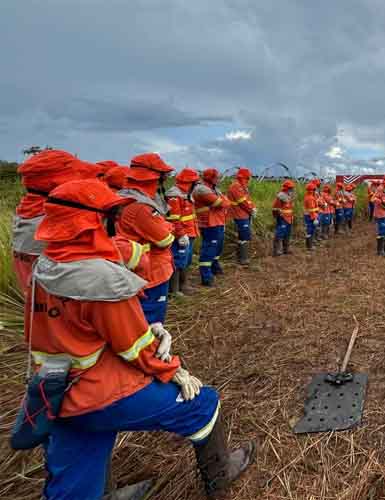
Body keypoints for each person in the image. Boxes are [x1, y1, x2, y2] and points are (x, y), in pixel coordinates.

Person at [26, 179, 253, 499]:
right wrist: (175, 371)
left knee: (75, 485)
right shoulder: (101, 277)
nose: (116, 220)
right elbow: (135, 346)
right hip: (99, 391)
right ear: (95, 220)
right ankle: (220, 479)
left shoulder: (44, 267)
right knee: (205, 405)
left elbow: (50, 331)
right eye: (110, 214)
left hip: (57, 392)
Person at [12, 150, 92, 292]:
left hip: (35, 304)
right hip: (60, 305)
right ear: (58, 183)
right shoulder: (56, 222)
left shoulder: (24, 213)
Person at [117, 153, 176, 325]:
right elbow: (165, 239)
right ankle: (151, 351)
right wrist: (167, 226)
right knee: (150, 322)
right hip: (150, 273)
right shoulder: (141, 207)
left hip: (134, 271)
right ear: (156, 177)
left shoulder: (125, 197)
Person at [165, 168, 200, 296]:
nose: (196, 186)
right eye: (195, 183)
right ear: (189, 183)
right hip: (181, 235)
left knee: (185, 259)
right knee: (178, 260)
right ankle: (175, 290)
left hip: (189, 233)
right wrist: (180, 235)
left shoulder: (186, 194)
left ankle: (183, 286)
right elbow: (174, 219)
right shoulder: (175, 196)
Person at [193, 168, 230, 286]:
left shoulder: (213, 188)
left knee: (217, 247)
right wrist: (223, 201)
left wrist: (223, 201)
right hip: (209, 223)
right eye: (217, 177)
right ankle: (206, 277)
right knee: (209, 249)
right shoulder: (202, 189)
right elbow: (220, 203)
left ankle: (214, 268)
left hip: (217, 221)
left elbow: (226, 202)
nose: (219, 179)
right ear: (211, 178)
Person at [226, 168, 257, 265]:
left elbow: (247, 200)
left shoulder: (241, 186)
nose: (249, 180)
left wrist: (252, 207)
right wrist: (251, 210)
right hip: (239, 215)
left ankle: (242, 257)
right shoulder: (236, 186)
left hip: (243, 214)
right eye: (248, 178)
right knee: (244, 236)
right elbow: (242, 202)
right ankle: (243, 259)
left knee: (243, 236)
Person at [271, 179, 296, 256]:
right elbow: (274, 208)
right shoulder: (281, 196)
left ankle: (286, 249)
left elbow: (290, 208)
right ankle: (276, 251)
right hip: (283, 218)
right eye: (290, 188)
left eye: (292, 188)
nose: (292, 190)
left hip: (289, 218)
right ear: (287, 188)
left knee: (287, 234)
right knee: (279, 233)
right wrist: (279, 215)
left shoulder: (289, 196)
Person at [302, 181, 320, 251]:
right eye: (314, 190)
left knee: (310, 230)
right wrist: (315, 218)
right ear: (312, 190)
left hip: (309, 216)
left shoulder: (308, 196)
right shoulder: (310, 198)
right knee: (310, 230)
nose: (314, 191)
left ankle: (310, 245)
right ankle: (309, 246)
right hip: (310, 216)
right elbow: (312, 210)